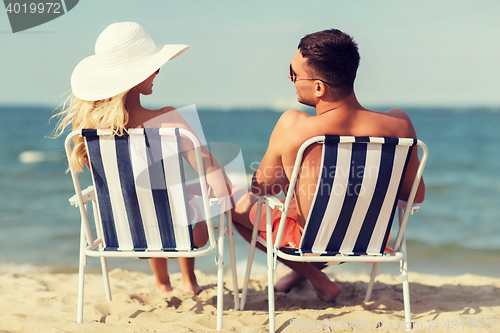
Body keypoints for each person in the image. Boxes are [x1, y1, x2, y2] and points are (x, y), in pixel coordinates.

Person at [231, 29, 425, 302]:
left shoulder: (294, 126)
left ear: (319, 87)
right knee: (324, 208)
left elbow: (261, 188)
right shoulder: (399, 123)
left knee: (232, 201)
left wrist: (289, 176)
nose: (291, 78)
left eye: (294, 73)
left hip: (310, 243)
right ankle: (306, 277)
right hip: (370, 240)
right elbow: (414, 195)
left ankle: (316, 278)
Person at [52, 22, 232, 295]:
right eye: (154, 67)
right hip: (184, 239)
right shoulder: (169, 119)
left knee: (152, 197)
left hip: (125, 238)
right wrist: (218, 187)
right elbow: (223, 188)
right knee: (187, 196)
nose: (158, 72)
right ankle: (189, 280)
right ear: (135, 76)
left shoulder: (89, 134)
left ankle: (162, 283)